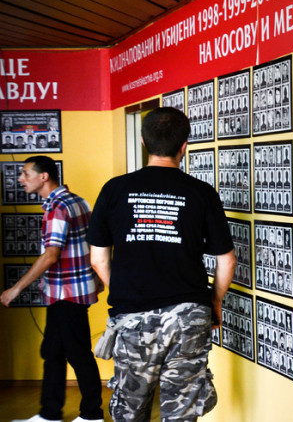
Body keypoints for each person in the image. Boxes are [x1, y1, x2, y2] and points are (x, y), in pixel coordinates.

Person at [88, 108, 235, 421]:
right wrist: (215, 301)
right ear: (184, 146)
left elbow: (98, 259)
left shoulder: (114, 189)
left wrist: (126, 290)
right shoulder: (202, 192)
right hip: (189, 314)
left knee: (130, 410)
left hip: (133, 316)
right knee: (182, 411)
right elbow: (226, 259)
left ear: (143, 142)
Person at [2, 156, 103, 422]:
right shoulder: (77, 200)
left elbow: (51, 255)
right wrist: (97, 278)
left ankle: (92, 415)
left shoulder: (57, 207)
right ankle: (49, 414)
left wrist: (16, 289)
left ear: (43, 176)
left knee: (78, 354)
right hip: (70, 290)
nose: (21, 179)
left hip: (66, 292)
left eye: (26, 174)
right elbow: (93, 243)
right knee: (53, 352)